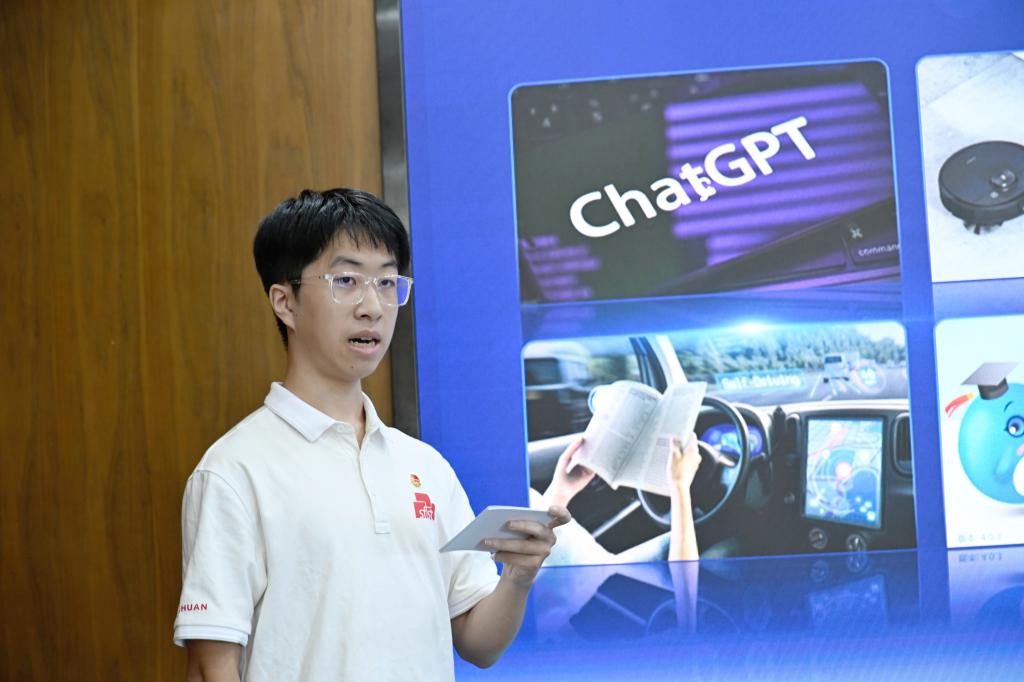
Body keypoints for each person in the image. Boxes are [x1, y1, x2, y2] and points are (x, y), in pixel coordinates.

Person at [173, 188, 570, 681]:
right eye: (346, 280)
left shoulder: (424, 465)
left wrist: (518, 576)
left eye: (387, 282)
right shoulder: (233, 470)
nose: (373, 307)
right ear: (285, 302)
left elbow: (478, 644)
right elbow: (210, 666)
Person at [532, 434, 702, 565]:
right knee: (709, 543)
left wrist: (562, 490)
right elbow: (685, 592)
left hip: (603, 570)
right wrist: (679, 485)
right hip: (603, 592)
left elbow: (529, 541)